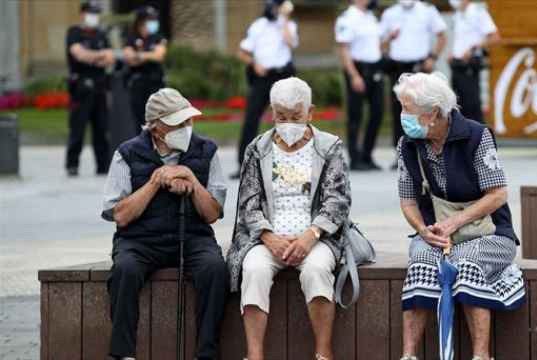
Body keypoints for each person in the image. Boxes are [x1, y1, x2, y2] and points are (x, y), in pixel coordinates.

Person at [393, 73, 525, 360]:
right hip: (436, 233)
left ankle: (481, 356)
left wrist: (455, 222)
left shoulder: (476, 136)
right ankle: (409, 356)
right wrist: (422, 229)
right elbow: (407, 200)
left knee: (465, 266)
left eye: (408, 110)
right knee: (421, 263)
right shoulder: (407, 145)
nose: (402, 116)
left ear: (434, 114)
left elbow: (498, 194)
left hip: (490, 232)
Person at [226, 77, 351, 360]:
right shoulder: (258, 149)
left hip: (316, 237)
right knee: (254, 269)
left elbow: (338, 199)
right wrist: (269, 238)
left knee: (317, 270)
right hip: (267, 238)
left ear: (310, 113)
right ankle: (254, 355)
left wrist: (310, 236)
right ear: (272, 113)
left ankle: (323, 352)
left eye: (295, 116)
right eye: (281, 116)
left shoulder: (328, 147)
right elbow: (248, 203)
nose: (288, 123)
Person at [102, 88, 228, 360]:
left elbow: (212, 214)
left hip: (194, 237)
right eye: (179, 123)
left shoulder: (207, 151)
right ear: (157, 129)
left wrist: (192, 181)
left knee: (215, 269)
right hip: (140, 240)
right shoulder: (127, 153)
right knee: (125, 270)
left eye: (188, 121)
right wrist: (155, 182)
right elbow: (119, 215)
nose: (187, 127)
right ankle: (123, 354)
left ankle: (206, 353)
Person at [231, 0, 298, 179]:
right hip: (262, 76)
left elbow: (291, 43)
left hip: (283, 75)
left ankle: (287, 164)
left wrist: (284, 18)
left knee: (287, 119)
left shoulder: (289, 25)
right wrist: (254, 64)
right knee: (251, 118)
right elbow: (242, 52)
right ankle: (244, 164)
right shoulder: (258, 26)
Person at [380, 0, 447, 168]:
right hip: (398, 67)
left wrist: (433, 57)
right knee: (400, 111)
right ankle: (401, 152)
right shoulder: (390, 13)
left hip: (420, 66)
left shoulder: (427, 11)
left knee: (426, 109)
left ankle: (429, 151)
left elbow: (442, 36)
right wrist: (389, 39)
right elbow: (380, 43)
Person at [64, 0, 114, 176]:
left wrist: (91, 56)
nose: (95, 17)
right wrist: (97, 57)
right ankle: (72, 165)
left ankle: (103, 166)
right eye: (92, 13)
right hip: (81, 89)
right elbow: (78, 54)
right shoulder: (75, 32)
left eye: (97, 13)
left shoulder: (101, 34)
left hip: (100, 88)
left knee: (101, 129)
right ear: (83, 14)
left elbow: (110, 57)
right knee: (77, 129)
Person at [335, 0, 384, 171]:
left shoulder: (371, 17)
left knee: (377, 112)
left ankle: (367, 155)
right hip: (357, 69)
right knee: (356, 115)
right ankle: (355, 158)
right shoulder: (347, 18)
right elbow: (343, 49)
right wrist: (354, 75)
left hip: (375, 68)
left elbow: (376, 44)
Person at [449, 0, 500, 123]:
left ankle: (479, 138)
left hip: (470, 64)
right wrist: (452, 52)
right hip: (456, 65)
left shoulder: (478, 12)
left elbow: (495, 37)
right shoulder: (458, 15)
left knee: (472, 105)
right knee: (458, 105)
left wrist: (474, 49)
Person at [123, 5, 167, 131]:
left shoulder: (158, 37)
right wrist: (148, 55)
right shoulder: (132, 38)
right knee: (139, 121)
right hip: (137, 84)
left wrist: (140, 55)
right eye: (150, 19)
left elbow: (159, 55)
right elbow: (129, 58)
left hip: (155, 83)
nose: (154, 22)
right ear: (141, 21)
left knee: (157, 120)